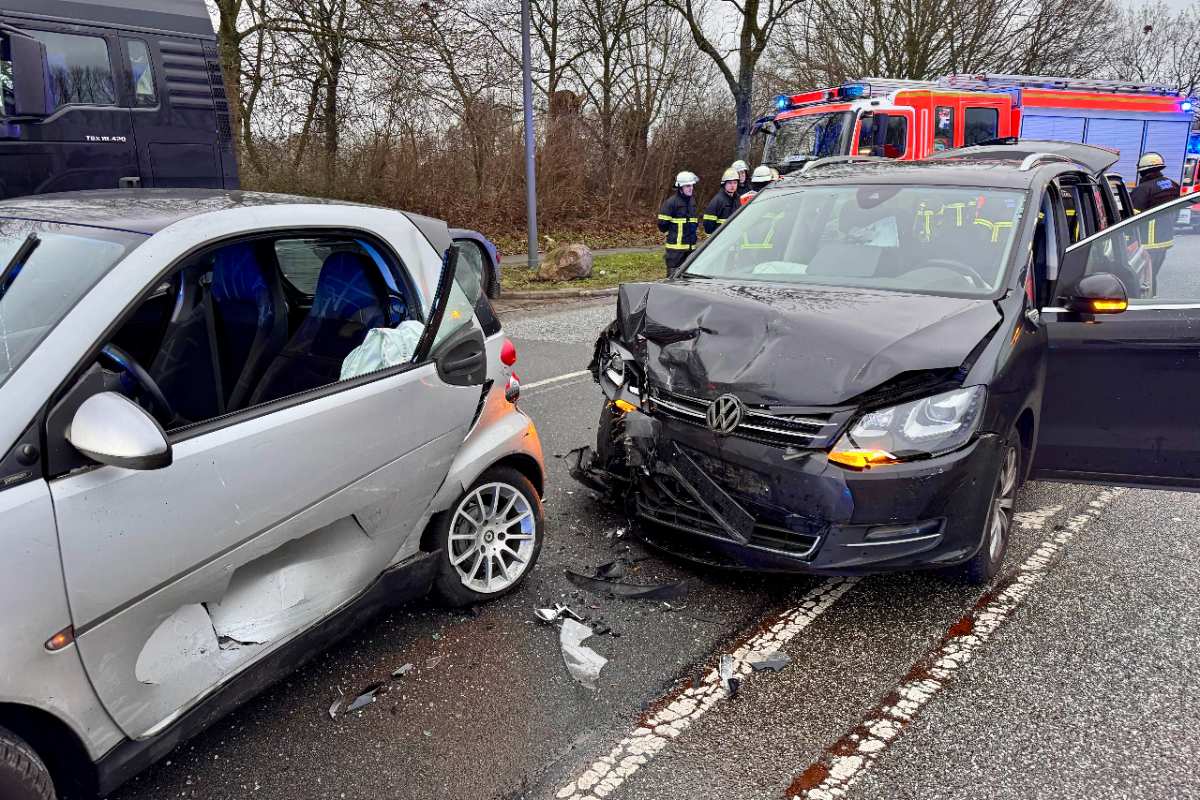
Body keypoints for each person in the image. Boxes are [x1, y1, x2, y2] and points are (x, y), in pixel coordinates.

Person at [1130, 151, 1180, 283]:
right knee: (1153, 274)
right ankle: (1151, 296)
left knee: (1144, 278)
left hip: (1148, 242)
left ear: (1144, 172)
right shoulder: (1173, 184)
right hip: (1165, 239)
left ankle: (1146, 299)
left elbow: (1133, 218)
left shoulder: (1143, 189)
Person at [658, 171, 700, 273]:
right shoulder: (671, 203)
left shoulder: (692, 202)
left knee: (688, 280)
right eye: (687, 186)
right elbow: (662, 225)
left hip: (690, 249)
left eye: (692, 185)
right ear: (680, 188)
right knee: (673, 279)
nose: (691, 188)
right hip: (675, 252)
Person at [703, 168, 741, 234]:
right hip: (720, 240)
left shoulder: (738, 199)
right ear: (724, 184)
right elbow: (708, 227)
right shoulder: (717, 201)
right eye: (729, 183)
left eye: (735, 183)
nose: (733, 186)